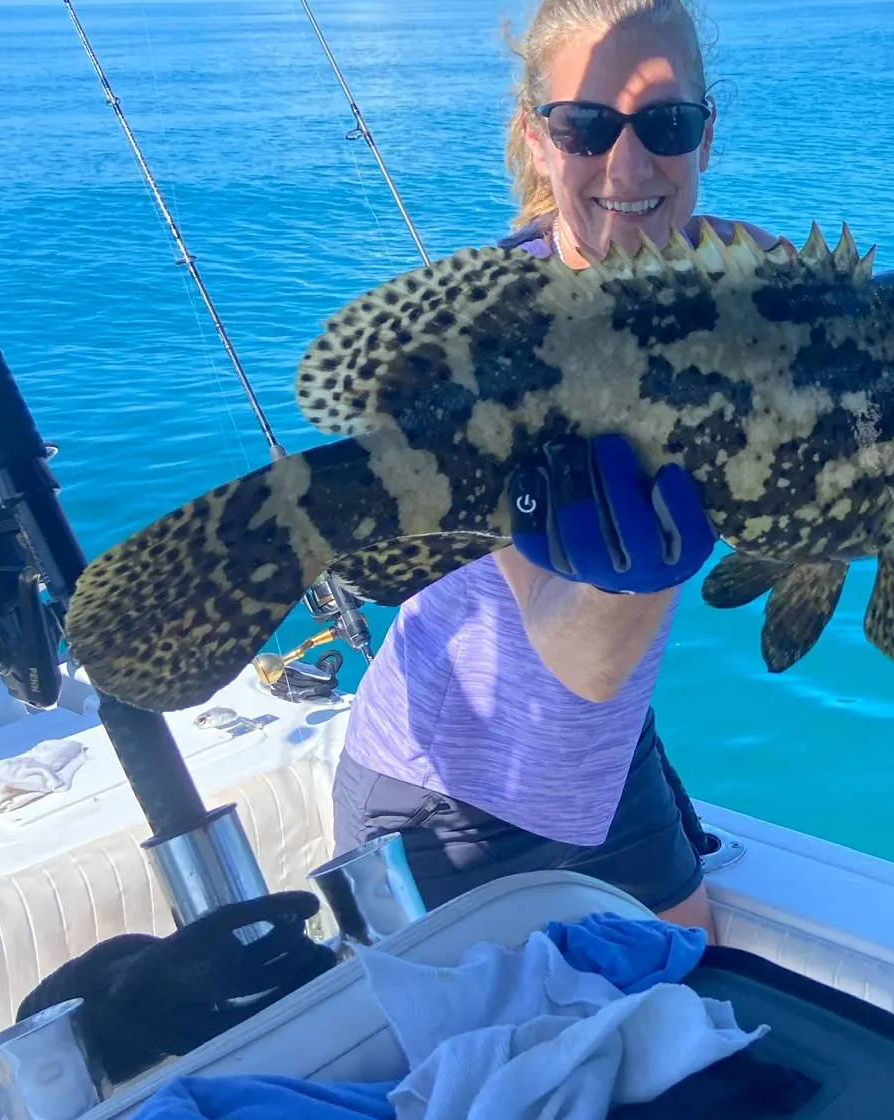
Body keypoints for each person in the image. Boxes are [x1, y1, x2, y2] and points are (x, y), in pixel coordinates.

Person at [332, 0, 782, 938]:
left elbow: (869, 445)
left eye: (664, 124)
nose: (627, 164)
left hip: (608, 768)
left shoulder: (761, 281)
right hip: (446, 800)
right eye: (586, 127)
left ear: (707, 134)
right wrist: (642, 579)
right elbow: (577, 655)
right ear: (540, 142)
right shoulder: (495, 333)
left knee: (700, 1019)